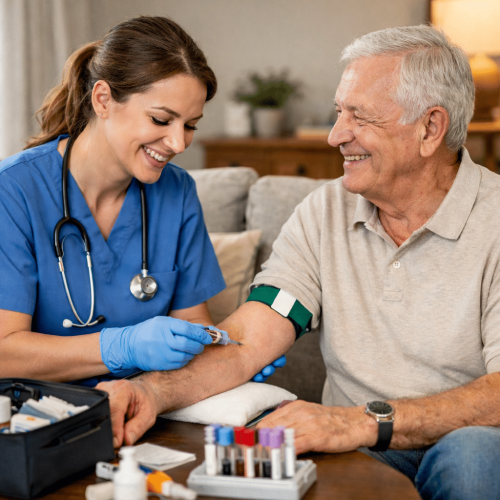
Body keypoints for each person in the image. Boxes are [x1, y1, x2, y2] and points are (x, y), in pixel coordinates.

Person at [98, 25, 500, 499]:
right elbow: (249, 339)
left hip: (461, 440)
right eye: (338, 112)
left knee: (476, 458)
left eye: (360, 117)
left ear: (430, 128)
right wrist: (150, 392)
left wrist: (361, 422)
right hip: (358, 450)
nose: (335, 135)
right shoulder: (325, 214)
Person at [0, 16, 278, 387]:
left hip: (149, 408)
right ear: (103, 99)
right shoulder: (13, 191)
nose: (179, 144)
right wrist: (122, 347)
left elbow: (192, 323)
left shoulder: (176, 192)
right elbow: (5, 352)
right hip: (44, 416)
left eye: (190, 125)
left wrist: (230, 356)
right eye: (161, 119)